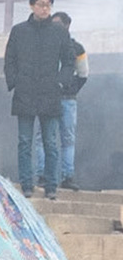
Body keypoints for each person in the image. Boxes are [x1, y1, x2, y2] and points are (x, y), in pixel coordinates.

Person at [4, 0, 76, 198]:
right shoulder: (19, 31)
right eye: (41, 4)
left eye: (48, 5)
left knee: (51, 142)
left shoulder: (60, 32)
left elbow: (69, 61)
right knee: (25, 142)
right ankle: (27, 184)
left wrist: (61, 83)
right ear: (32, 5)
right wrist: (14, 82)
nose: (44, 9)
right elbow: (10, 59)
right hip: (25, 92)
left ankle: (51, 186)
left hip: (50, 92)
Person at [51, 10, 87, 190]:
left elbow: (83, 74)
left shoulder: (77, 48)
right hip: (48, 98)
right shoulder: (45, 45)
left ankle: (67, 176)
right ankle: (44, 175)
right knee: (45, 138)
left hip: (67, 100)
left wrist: (70, 90)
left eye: (58, 24)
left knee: (66, 140)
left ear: (67, 26)